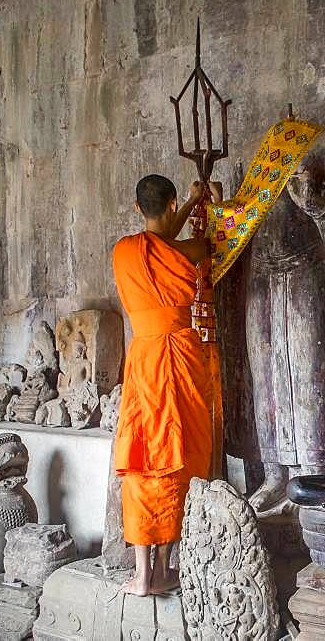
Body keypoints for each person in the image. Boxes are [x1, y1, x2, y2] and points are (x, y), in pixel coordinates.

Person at [112, 175, 224, 596]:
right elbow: (204, 244)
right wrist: (207, 203)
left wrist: (185, 201)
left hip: (143, 361)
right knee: (182, 455)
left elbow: (156, 243)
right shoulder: (189, 250)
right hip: (181, 356)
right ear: (173, 202)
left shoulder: (124, 251)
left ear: (138, 208)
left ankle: (142, 575)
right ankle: (165, 567)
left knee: (142, 457)